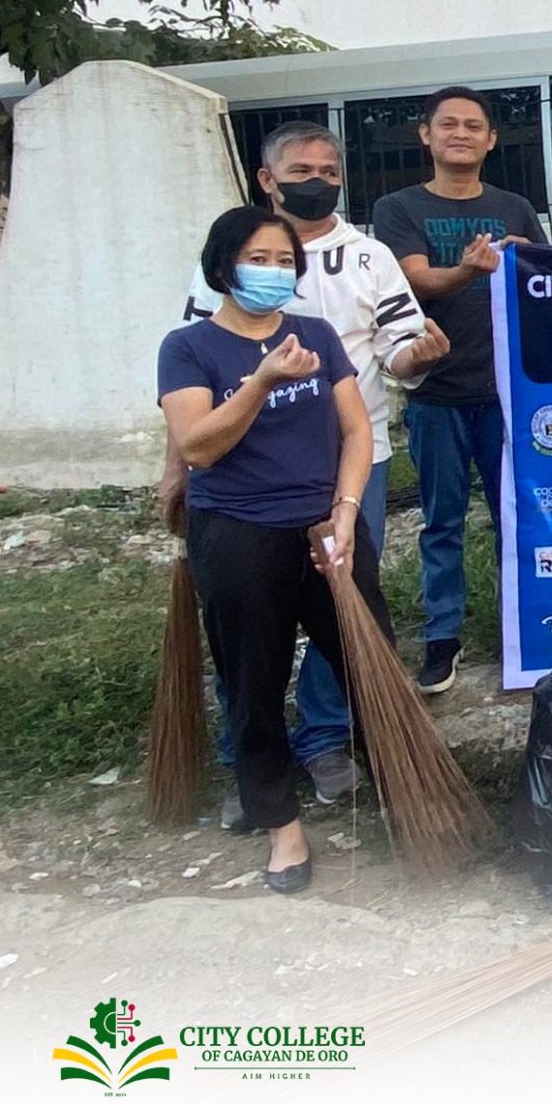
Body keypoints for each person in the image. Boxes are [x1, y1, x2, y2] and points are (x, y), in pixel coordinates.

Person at [171, 121, 448, 827]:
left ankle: (331, 743)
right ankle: (256, 774)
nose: (318, 181)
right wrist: (182, 461)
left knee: (350, 629)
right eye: (302, 170)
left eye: (330, 170)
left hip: (344, 480)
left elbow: (388, 363)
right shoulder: (205, 306)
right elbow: (193, 416)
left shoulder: (361, 267)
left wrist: (417, 360)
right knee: (248, 643)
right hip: (239, 502)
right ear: (267, 179)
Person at [158, 207, 392, 894]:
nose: (275, 271)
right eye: (258, 259)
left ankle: (406, 787)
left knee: (371, 663)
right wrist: (261, 381)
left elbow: (356, 431)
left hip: (327, 529)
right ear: (222, 267)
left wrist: (346, 511)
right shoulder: (189, 347)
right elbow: (198, 445)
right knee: (253, 682)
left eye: (285, 260)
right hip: (238, 534)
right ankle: (280, 823)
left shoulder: (316, 334)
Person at [373, 86, 547, 695]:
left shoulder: (514, 206)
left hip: (508, 395)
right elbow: (415, 281)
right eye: (448, 124)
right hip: (436, 393)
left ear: (491, 140)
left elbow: (543, 282)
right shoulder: (398, 208)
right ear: (426, 135)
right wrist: (467, 270)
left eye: (474, 126)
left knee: (515, 520)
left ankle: (521, 630)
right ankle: (442, 637)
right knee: (441, 521)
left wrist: (531, 261)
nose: (461, 134)